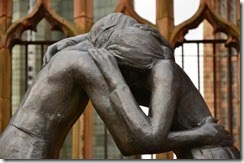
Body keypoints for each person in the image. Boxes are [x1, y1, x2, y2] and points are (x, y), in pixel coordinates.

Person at [0, 13, 237, 159]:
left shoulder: (77, 56)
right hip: (26, 152)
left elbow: (140, 36)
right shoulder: (84, 62)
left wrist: (74, 40)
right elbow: (133, 142)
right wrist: (202, 134)